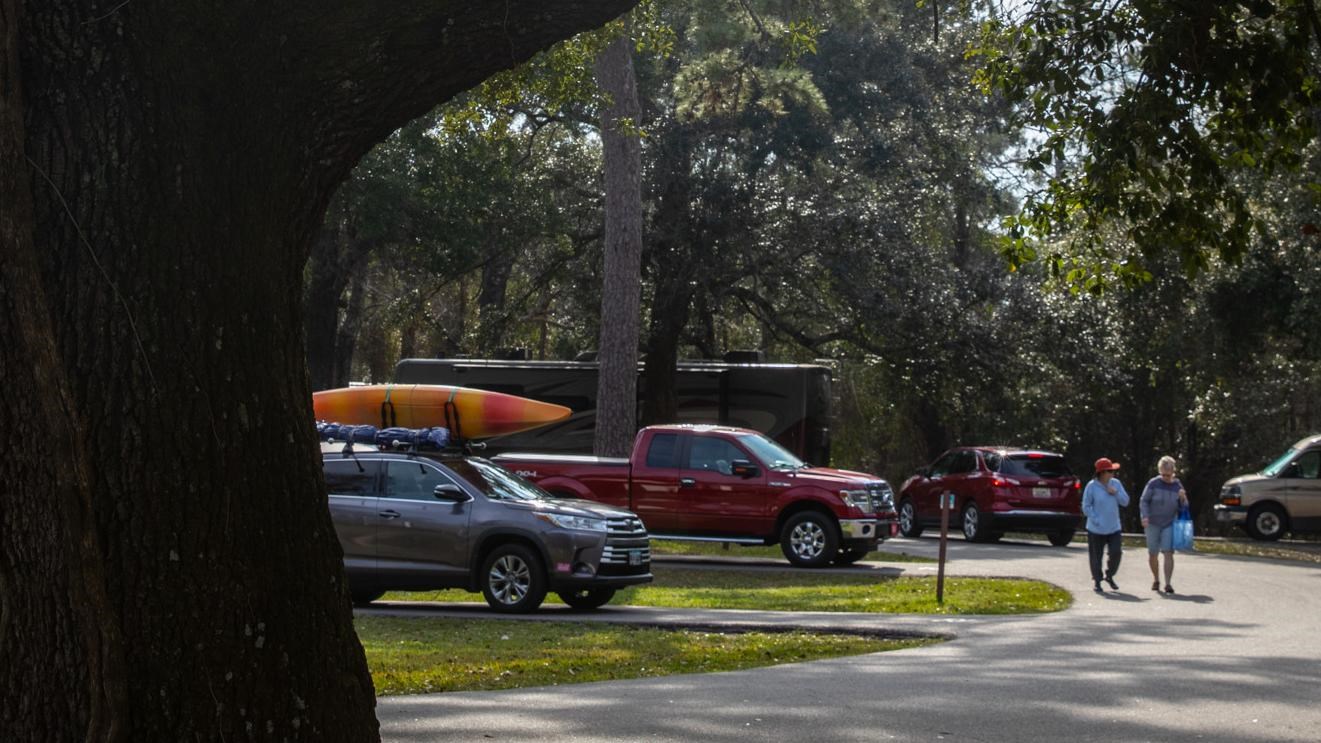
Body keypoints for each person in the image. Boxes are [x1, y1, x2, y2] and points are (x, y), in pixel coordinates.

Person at [1141, 455, 1189, 594]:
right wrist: (1144, 516)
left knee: (1168, 552)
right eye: (1163, 474)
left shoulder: (1177, 485)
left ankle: (1168, 583)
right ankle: (1156, 579)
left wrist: (1182, 498)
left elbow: (1184, 507)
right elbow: (1144, 501)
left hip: (1169, 523)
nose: (1166, 478)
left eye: (1169, 475)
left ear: (1173, 472)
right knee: (1153, 553)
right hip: (1152, 522)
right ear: (1159, 471)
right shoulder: (1153, 483)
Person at [1082, 458, 1129, 593]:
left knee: (1116, 552)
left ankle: (1110, 575)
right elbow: (1086, 506)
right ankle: (1097, 580)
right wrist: (1096, 519)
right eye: (1110, 471)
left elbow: (1125, 501)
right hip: (1096, 528)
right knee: (1096, 556)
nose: (1113, 473)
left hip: (1114, 527)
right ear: (1102, 473)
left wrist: (1116, 493)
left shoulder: (1116, 484)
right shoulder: (1091, 486)